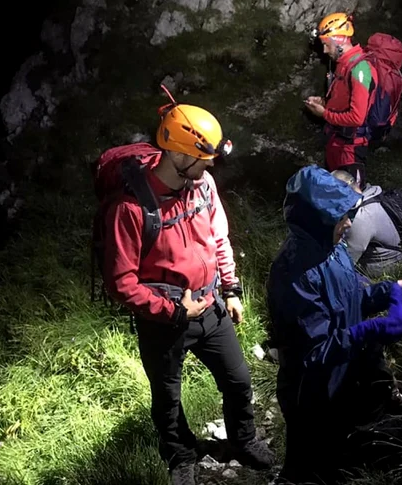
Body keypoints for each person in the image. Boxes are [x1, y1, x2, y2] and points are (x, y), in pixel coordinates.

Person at [102, 102, 274, 485]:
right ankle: (181, 454)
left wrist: (230, 289)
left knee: (238, 380)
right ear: (178, 154)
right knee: (167, 399)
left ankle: (243, 440)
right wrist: (173, 312)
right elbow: (122, 282)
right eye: (202, 158)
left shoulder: (202, 186)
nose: (209, 165)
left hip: (211, 306)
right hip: (163, 322)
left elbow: (219, 239)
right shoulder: (129, 209)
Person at [267, 164, 402, 484]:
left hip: (349, 377)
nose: (350, 223)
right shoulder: (292, 276)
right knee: (317, 466)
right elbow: (315, 353)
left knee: (354, 453)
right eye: (341, 216)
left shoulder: (331, 250)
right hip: (315, 392)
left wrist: (390, 292)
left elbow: (351, 297)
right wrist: (377, 329)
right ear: (317, 221)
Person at [304, 12, 377, 189]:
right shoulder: (343, 64)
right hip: (336, 142)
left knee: (350, 199)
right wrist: (324, 103)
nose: (324, 50)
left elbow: (357, 118)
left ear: (339, 40)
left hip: (350, 149)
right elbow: (343, 99)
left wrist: (325, 114)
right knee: (332, 197)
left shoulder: (360, 69)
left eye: (326, 44)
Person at [331, 169, 402, 278]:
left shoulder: (360, 218)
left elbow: (343, 264)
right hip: (384, 251)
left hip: (385, 268)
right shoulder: (371, 193)